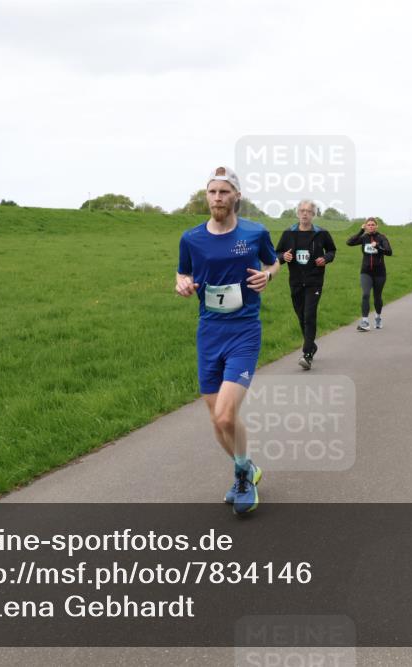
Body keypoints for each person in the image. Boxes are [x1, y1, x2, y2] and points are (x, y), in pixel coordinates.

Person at [176, 166, 279, 515]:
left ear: (236, 196)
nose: (217, 198)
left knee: (224, 415)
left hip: (244, 331)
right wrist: (182, 282)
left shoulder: (254, 232)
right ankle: (246, 467)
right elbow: (183, 271)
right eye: (212, 192)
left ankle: (243, 478)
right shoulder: (191, 238)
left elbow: (273, 263)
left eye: (224, 191)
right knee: (216, 420)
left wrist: (267, 276)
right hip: (209, 332)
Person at [275, 200, 337, 370]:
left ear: (313, 215)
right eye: (302, 210)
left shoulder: (321, 233)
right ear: (297, 213)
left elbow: (332, 250)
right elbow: (277, 253)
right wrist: (283, 257)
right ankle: (311, 345)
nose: (304, 213)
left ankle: (307, 354)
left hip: (314, 281)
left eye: (308, 211)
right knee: (301, 316)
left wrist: (325, 258)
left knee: (309, 315)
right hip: (295, 281)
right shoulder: (289, 233)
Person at [346, 217, 393, 331]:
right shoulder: (364, 238)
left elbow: (389, 252)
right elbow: (349, 242)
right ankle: (365, 322)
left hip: (379, 273)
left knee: (377, 297)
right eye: (369, 225)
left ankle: (378, 318)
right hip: (366, 272)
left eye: (373, 225)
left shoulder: (382, 237)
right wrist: (361, 231)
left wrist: (378, 246)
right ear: (366, 226)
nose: (371, 226)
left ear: (376, 226)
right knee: (365, 294)